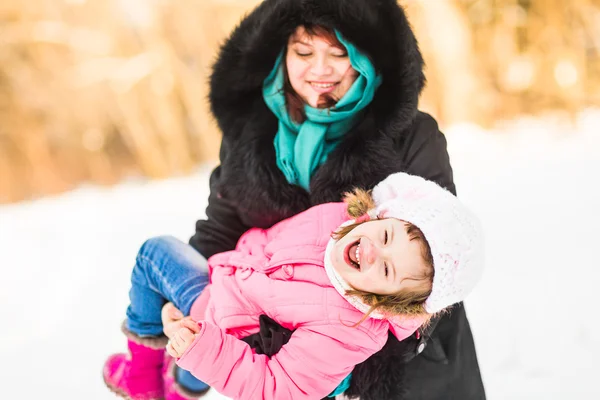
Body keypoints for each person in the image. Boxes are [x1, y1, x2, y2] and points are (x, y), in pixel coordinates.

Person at [162, 1, 487, 399]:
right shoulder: (251, 135)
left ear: (369, 59)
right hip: (278, 358)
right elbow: (222, 226)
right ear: (280, 54)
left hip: (403, 366)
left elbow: (439, 260)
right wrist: (183, 297)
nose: (320, 70)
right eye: (303, 52)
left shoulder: (411, 136)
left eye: (340, 54)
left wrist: (342, 360)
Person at [103, 172, 484, 400]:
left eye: (386, 271)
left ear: (391, 303)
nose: (371, 251)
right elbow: (271, 240)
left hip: (223, 324)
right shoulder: (335, 218)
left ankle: (143, 377)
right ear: (381, 214)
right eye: (385, 234)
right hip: (226, 280)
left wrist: (204, 348)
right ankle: (175, 382)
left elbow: (279, 390)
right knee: (187, 349)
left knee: (155, 254)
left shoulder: (347, 330)